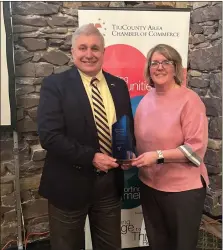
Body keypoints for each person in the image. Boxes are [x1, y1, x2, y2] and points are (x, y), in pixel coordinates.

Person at [37, 23, 134, 250]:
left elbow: (126, 127)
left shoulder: (118, 86)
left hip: (109, 186)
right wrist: (92, 157)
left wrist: (128, 152)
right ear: (73, 52)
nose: (89, 54)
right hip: (68, 186)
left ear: (103, 52)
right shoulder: (55, 85)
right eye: (82, 48)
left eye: (95, 48)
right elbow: (49, 136)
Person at [132, 44, 209, 250]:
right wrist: (131, 158)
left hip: (182, 191)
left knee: (181, 245)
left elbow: (196, 149)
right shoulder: (146, 100)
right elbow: (140, 141)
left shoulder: (189, 100)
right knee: (157, 244)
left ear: (176, 68)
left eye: (166, 62)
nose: (160, 67)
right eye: (155, 63)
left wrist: (157, 156)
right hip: (149, 186)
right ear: (149, 68)